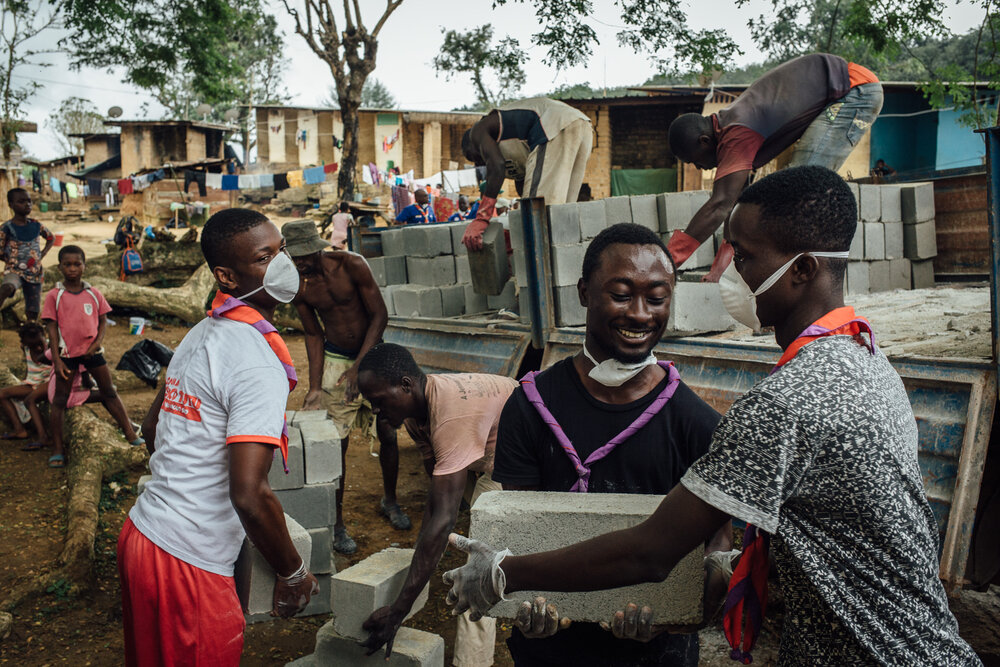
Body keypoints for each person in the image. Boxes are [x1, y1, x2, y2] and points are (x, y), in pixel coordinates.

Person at [443, 167, 980, 666]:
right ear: (586, 294)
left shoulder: (783, 404)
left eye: (742, 256)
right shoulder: (867, 360)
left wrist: (503, 573)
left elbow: (653, 553)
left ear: (803, 270)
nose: (730, 272)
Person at [492, 222, 730, 666]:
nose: (640, 314)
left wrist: (681, 615)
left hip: (655, 653)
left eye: (656, 298)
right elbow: (518, 527)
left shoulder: (693, 422)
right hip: (552, 646)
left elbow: (716, 541)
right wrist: (524, 605)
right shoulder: (530, 405)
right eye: (621, 294)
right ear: (584, 292)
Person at [119, 209, 319, 665]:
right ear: (226, 275)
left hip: (143, 535)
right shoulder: (256, 359)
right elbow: (249, 494)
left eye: (280, 250)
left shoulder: (202, 333)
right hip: (186, 563)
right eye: (265, 257)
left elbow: (152, 429)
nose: (282, 265)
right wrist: (293, 573)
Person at [354, 342, 518, 666]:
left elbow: (443, 520)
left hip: (516, 461)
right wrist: (414, 564)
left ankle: (472, 662)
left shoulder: (450, 415)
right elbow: (436, 499)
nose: (374, 411)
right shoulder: (415, 413)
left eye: (378, 401)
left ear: (405, 385)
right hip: (483, 448)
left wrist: (398, 610)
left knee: (483, 564)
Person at [665, 53, 883, 282]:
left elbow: (719, 204)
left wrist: (667, 261)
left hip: (855, 91)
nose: (699, 168)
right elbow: (734, 206)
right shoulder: (729, 126)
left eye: (694, 161)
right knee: (782, 191)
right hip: (840, 89)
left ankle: (807, 279)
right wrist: (720, 269)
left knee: (799, 188)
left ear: (704, 141)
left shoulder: (737, 131)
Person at [284, 220, 411, 553]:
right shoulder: (299, 286)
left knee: (387, 432)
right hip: (336, 360)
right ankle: (337, 523)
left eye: (303, 256)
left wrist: (360, 368)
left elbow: (379, 315)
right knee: (335, 444)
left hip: (374, 354)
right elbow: (313, 334)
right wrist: (314, 386)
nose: (299, 263)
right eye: (293, 258)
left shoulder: (351, 264)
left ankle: (390, 500)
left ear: (316, 247)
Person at [42, 245, 143, 468]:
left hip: (92, 353)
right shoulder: (54, 296)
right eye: (67, 264)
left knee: (109, 392)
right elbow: (51, 328)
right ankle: (57, 449)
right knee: (59, 400)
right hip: (67, 355)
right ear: (60, 267)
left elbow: (103, 321)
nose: (72, 269)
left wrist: (96, 344)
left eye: (77, 264)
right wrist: (57, 360)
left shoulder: (93, 293)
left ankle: (129, 432)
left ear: (84, 266)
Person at [461, 97, 593, 250]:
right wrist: (517, 230)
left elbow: (497, 167)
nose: (477, 163)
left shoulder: (478, 131)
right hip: (582, 126)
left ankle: (536, 271)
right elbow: (527, 190)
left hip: (552, 124)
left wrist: (481, 218)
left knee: (537, 219)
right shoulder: (518, 153)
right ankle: (561, 266)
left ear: (472, 144)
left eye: (471, 156)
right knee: (560, 215)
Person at [0, 188, 54, 321]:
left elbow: (50, 238)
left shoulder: (36, 225)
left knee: (33, 309)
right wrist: (8, 259)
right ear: (11, 205)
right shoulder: (7, 227)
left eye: (29, 201)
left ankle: (31, 332)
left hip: (34, 272)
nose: (27, 204)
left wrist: (43, 253)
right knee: (7, 287)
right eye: (21, 201)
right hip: (14, 270)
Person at [0, 322, 52, 447]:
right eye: (33, 345)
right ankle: (19, 430)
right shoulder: (26, 348)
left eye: (40, 343)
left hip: (49, 382)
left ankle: (43, 437)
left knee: (30, 400)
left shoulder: (51, 346)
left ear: (44, 336)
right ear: (24, 343)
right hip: (33, 384)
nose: (39, 348)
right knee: (2, 394)